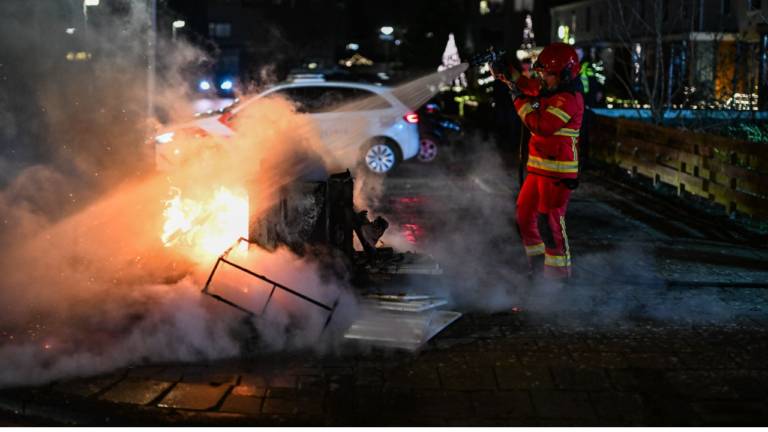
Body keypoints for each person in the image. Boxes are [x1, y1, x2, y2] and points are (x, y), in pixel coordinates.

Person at [490, 43, 584, 280]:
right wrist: (506, 70)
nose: (542, 78)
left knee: (549, 226)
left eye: (547, 74)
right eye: (541, 73)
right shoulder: (551, 89)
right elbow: (525, 85)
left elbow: (541, 126)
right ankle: (537, 269)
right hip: (539, 169)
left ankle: (558, 281)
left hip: (558, 174)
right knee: (524, 217)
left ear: (564, 74)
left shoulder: (569, 98)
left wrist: (519, 100)